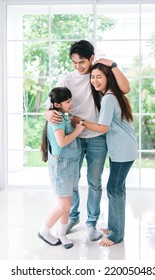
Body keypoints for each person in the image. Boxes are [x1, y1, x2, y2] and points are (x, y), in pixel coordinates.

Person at [45, 40, 130, 241]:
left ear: (92, 58)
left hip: (97, 138)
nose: (78, 67)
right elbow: (51, 105)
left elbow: (125, 89)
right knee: (72, 183)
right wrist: (46, 114)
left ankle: (91, 222)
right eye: (74, 63)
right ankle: (72, 217)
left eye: (82, 62)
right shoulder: (67, 79)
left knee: (94, 182)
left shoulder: (99, 75)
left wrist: (112, 64)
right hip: (73, 138)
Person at [76, 63, 138, 246]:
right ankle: (114, 227)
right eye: (92, 77)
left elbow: (103, 128)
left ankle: (116, 235)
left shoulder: (109, 98)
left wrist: (82, 122)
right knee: (117, 189)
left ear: (107, 78)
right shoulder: (112, 95)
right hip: (123, 150)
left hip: (123, 151)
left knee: (114, 189)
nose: (94, 80)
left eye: (99, 77)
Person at [39, 87, 85, 249]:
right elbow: (62, 142)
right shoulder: (57, 118)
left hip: (71, 165)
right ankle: (44, 231)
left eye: (70, 100)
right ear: (57, 105)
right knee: (64, 205)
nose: (71, 103)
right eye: (67, 101)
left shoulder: (63, 116)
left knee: (68, 202)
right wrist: (78, 130)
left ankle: (62, 234)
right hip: (62, 166)